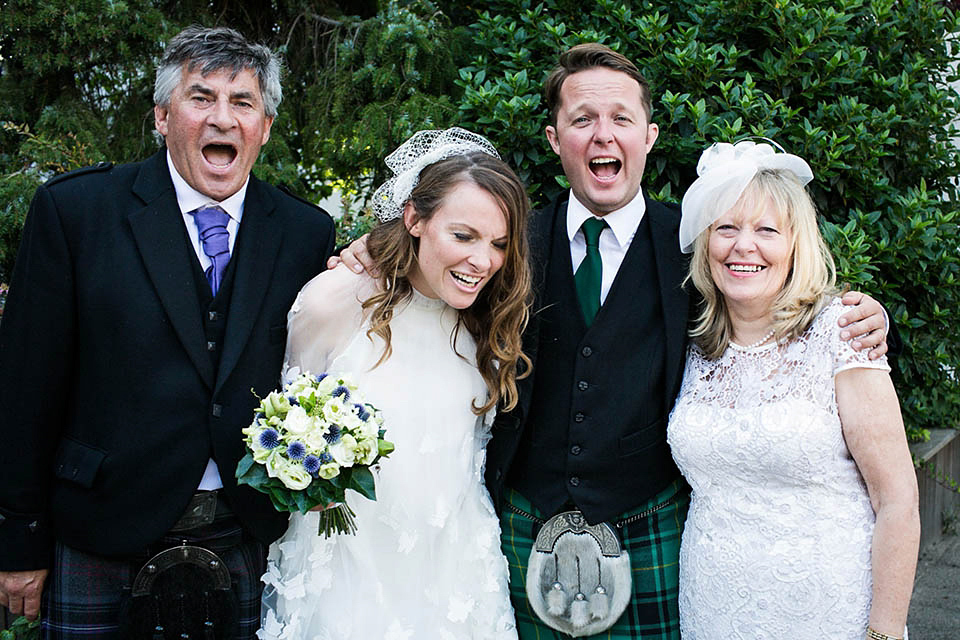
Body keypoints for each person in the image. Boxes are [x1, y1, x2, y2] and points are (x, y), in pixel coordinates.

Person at [335, 44, 893, 639]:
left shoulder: (694, 242)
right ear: (555, 139)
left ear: (648, 136)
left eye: (621, 119)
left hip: (650, 525)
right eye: (582, 120)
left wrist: (867, 316)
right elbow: (435, 278)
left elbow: (774, 302)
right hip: (525, 522)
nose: (603, 136)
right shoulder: (509, 240)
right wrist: (378, 252)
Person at [0, 25, 334, 638]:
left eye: (243, 103)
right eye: (201, 98)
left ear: (263, 125)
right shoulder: (76, 214)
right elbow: (25, 388)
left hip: (244, 530)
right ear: (161, 116)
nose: (222, 119)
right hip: (101, 525)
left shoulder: (304, 232)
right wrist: (19, 538)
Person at [258, 127, 530, 639]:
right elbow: (284, 427)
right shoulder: (335, 300)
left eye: (498, 243)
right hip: (348, 577)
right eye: (464, 236)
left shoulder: (488, 321)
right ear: (414, 219)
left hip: (456, 581)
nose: (484, 261)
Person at [667, 139, 919, 639]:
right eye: (726, 228)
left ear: (795, 245)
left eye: (766, 230)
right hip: (714, 608)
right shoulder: (691, 345)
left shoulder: (842, 333)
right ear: (706, 244)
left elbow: (898, 502)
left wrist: (884, 631)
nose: (744, 246)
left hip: (829, 611)